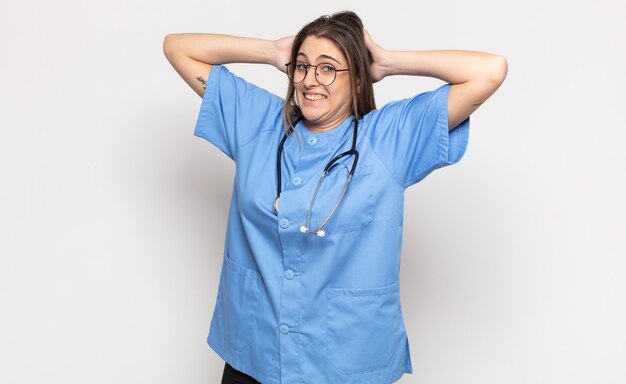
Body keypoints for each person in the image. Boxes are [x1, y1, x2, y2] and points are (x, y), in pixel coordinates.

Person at [163, 11, 507, 384]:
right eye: (302, 66)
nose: (310, 80)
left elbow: (489, 71)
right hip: (256, 351)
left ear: (357, 81)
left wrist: (387, 62)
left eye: (328, 69)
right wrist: (271, 51)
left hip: (344, 361)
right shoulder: (257, 121)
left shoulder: (390, 138)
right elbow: (177, 48)